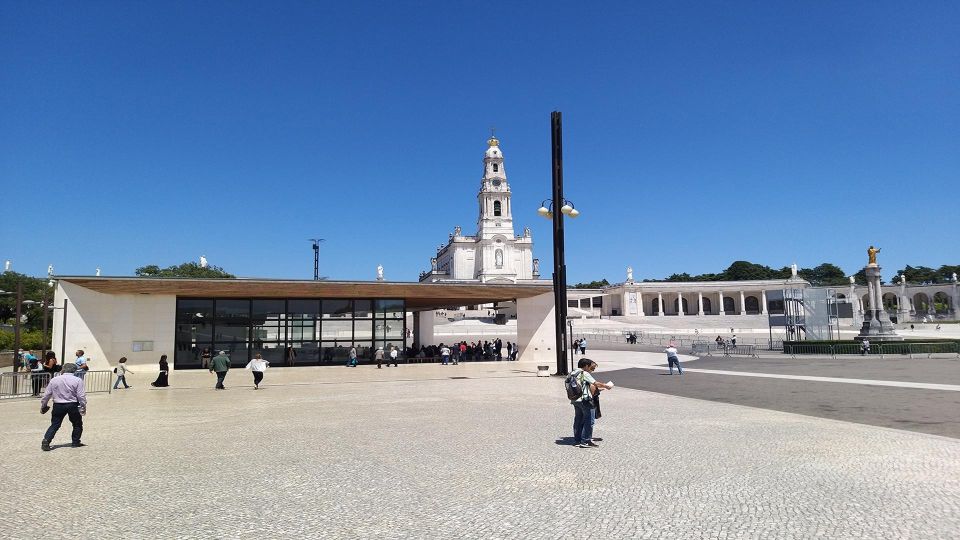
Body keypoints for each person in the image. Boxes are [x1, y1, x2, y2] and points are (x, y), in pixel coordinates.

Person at [39, 363, 87, 451]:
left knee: (55, 424)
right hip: (72, 404)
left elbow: (46, 395)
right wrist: (83, 406)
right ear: (74, 370)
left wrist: (44, 405)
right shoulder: (77, 380)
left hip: (58, 405)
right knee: (77, 424)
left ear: (63, 369)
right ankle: (75, 441)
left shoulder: (54, 380)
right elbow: (81, 396)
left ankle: (46, 440)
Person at [569, 358, 612, 448]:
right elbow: (595, 383)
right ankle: (585, 441)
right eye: (590, 367)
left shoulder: (572, 373)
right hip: (585, 400)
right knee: (589, 421)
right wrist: (606, 385)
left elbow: (581, 385)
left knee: (578, 420)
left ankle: (577, 440)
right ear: (585, 366)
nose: (591, 369)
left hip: (575, 400)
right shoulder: (584, 373)